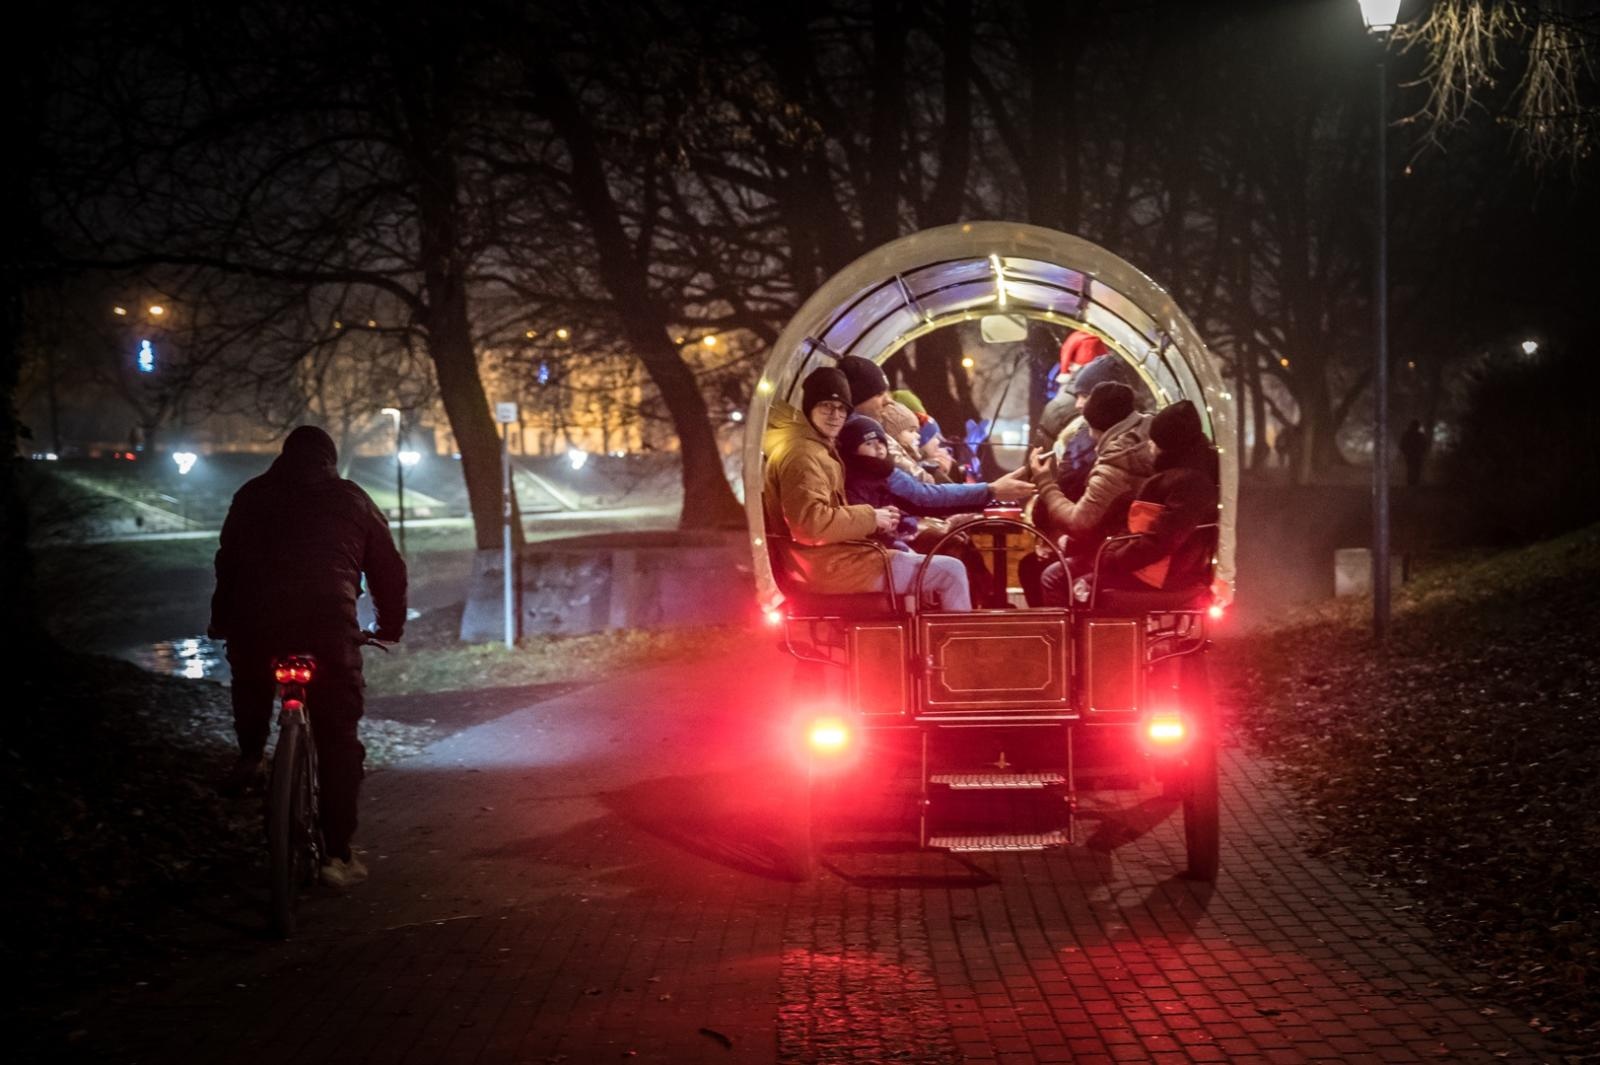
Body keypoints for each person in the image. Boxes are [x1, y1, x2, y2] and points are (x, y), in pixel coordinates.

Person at [209, 425, 407, 888]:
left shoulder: (251, 495)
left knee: (252, 675)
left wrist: (222, 621)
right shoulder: (353, 499)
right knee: (338, 739)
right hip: (328, 626)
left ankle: (252, 754)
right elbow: (388, 570)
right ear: (329, 462)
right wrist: (388, 627)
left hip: (257, 625)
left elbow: (228, 565)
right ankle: (336, 855)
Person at [762, 367, 971, 611]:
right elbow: (809, 524)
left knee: (934, 566)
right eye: (826, 406)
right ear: (810, 407)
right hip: (830, 567)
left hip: (833, 560)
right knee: (951, 571)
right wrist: (872, 517)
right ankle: (960, 648)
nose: (834, 415)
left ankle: (928, 644)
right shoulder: (802, 455)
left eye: (841, 408)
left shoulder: (816, 448)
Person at [1030, 381, 1155, 605]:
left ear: (1098, 427)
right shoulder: (1146, 437)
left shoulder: (1118, 460)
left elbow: (1081, 522)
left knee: (1053, 576)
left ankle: (1071, 639)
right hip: (1142, 547)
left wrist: (1044, 482)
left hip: (1126, 554)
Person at [1093, 399, 1220, 594]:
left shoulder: (1189, 482)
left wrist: (1115, 559)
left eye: (1155, 441)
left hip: (1163, 576)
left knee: (1059, 578)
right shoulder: (1182, 474)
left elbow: (1163, 539)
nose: (1149, 445)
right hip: (1156, 568)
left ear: (1168, 446)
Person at [1399, 419, 1428, 487]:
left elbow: (1402, 445)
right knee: (1414, 469)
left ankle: (1412, 483)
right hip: (1414, 455)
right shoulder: (1419, 435)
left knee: (1412, 469)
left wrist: (1405, 452)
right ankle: (1413, 483)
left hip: (1412, 455)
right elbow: (1424, 446)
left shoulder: (1407, 434)